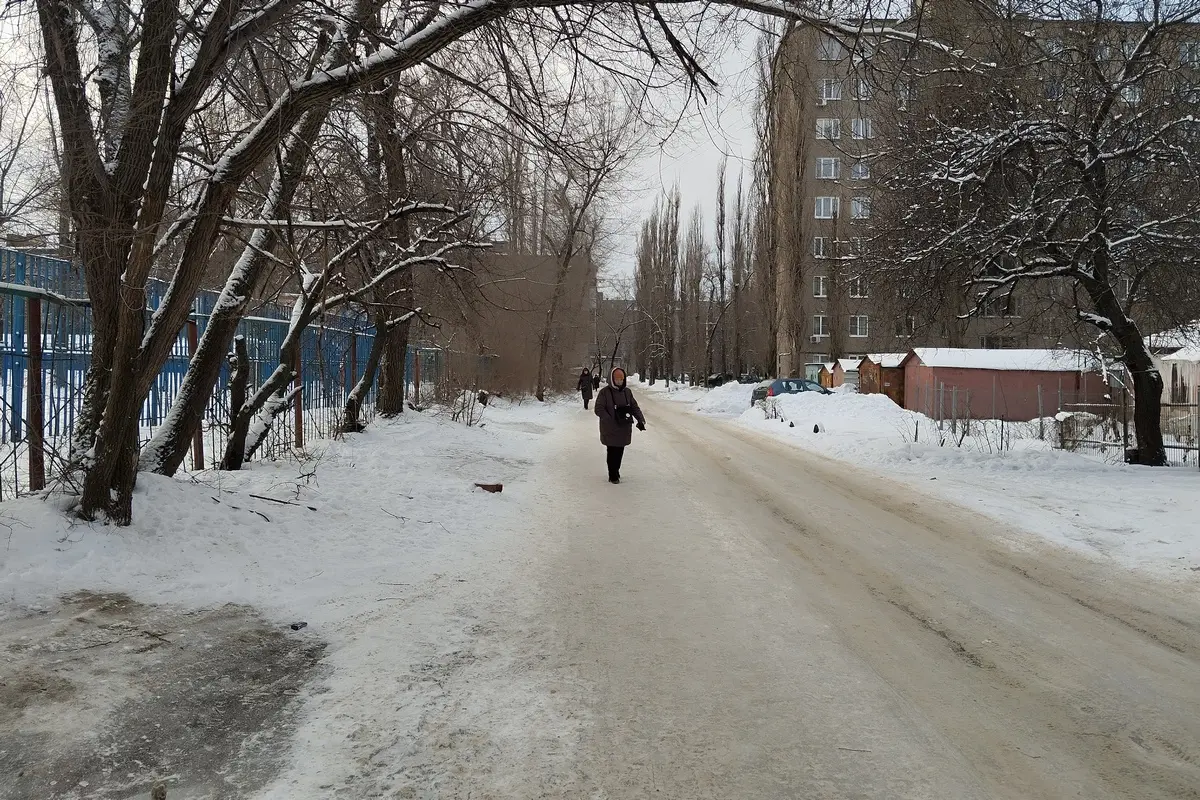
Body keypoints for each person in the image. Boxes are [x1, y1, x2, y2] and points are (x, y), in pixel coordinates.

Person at [594, 367, 646, 484]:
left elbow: (634, 407)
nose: (619, 382)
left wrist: (640, 420)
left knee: (620, 450)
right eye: (617, 379)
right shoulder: (605, 393)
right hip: (610, 428)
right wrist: (608, 418)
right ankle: (612, 474)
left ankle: (616, 470)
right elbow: (598, 408)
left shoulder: (627, 392)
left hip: (623, 427)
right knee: (612, 450)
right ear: (612, 379)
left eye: (621, 379)